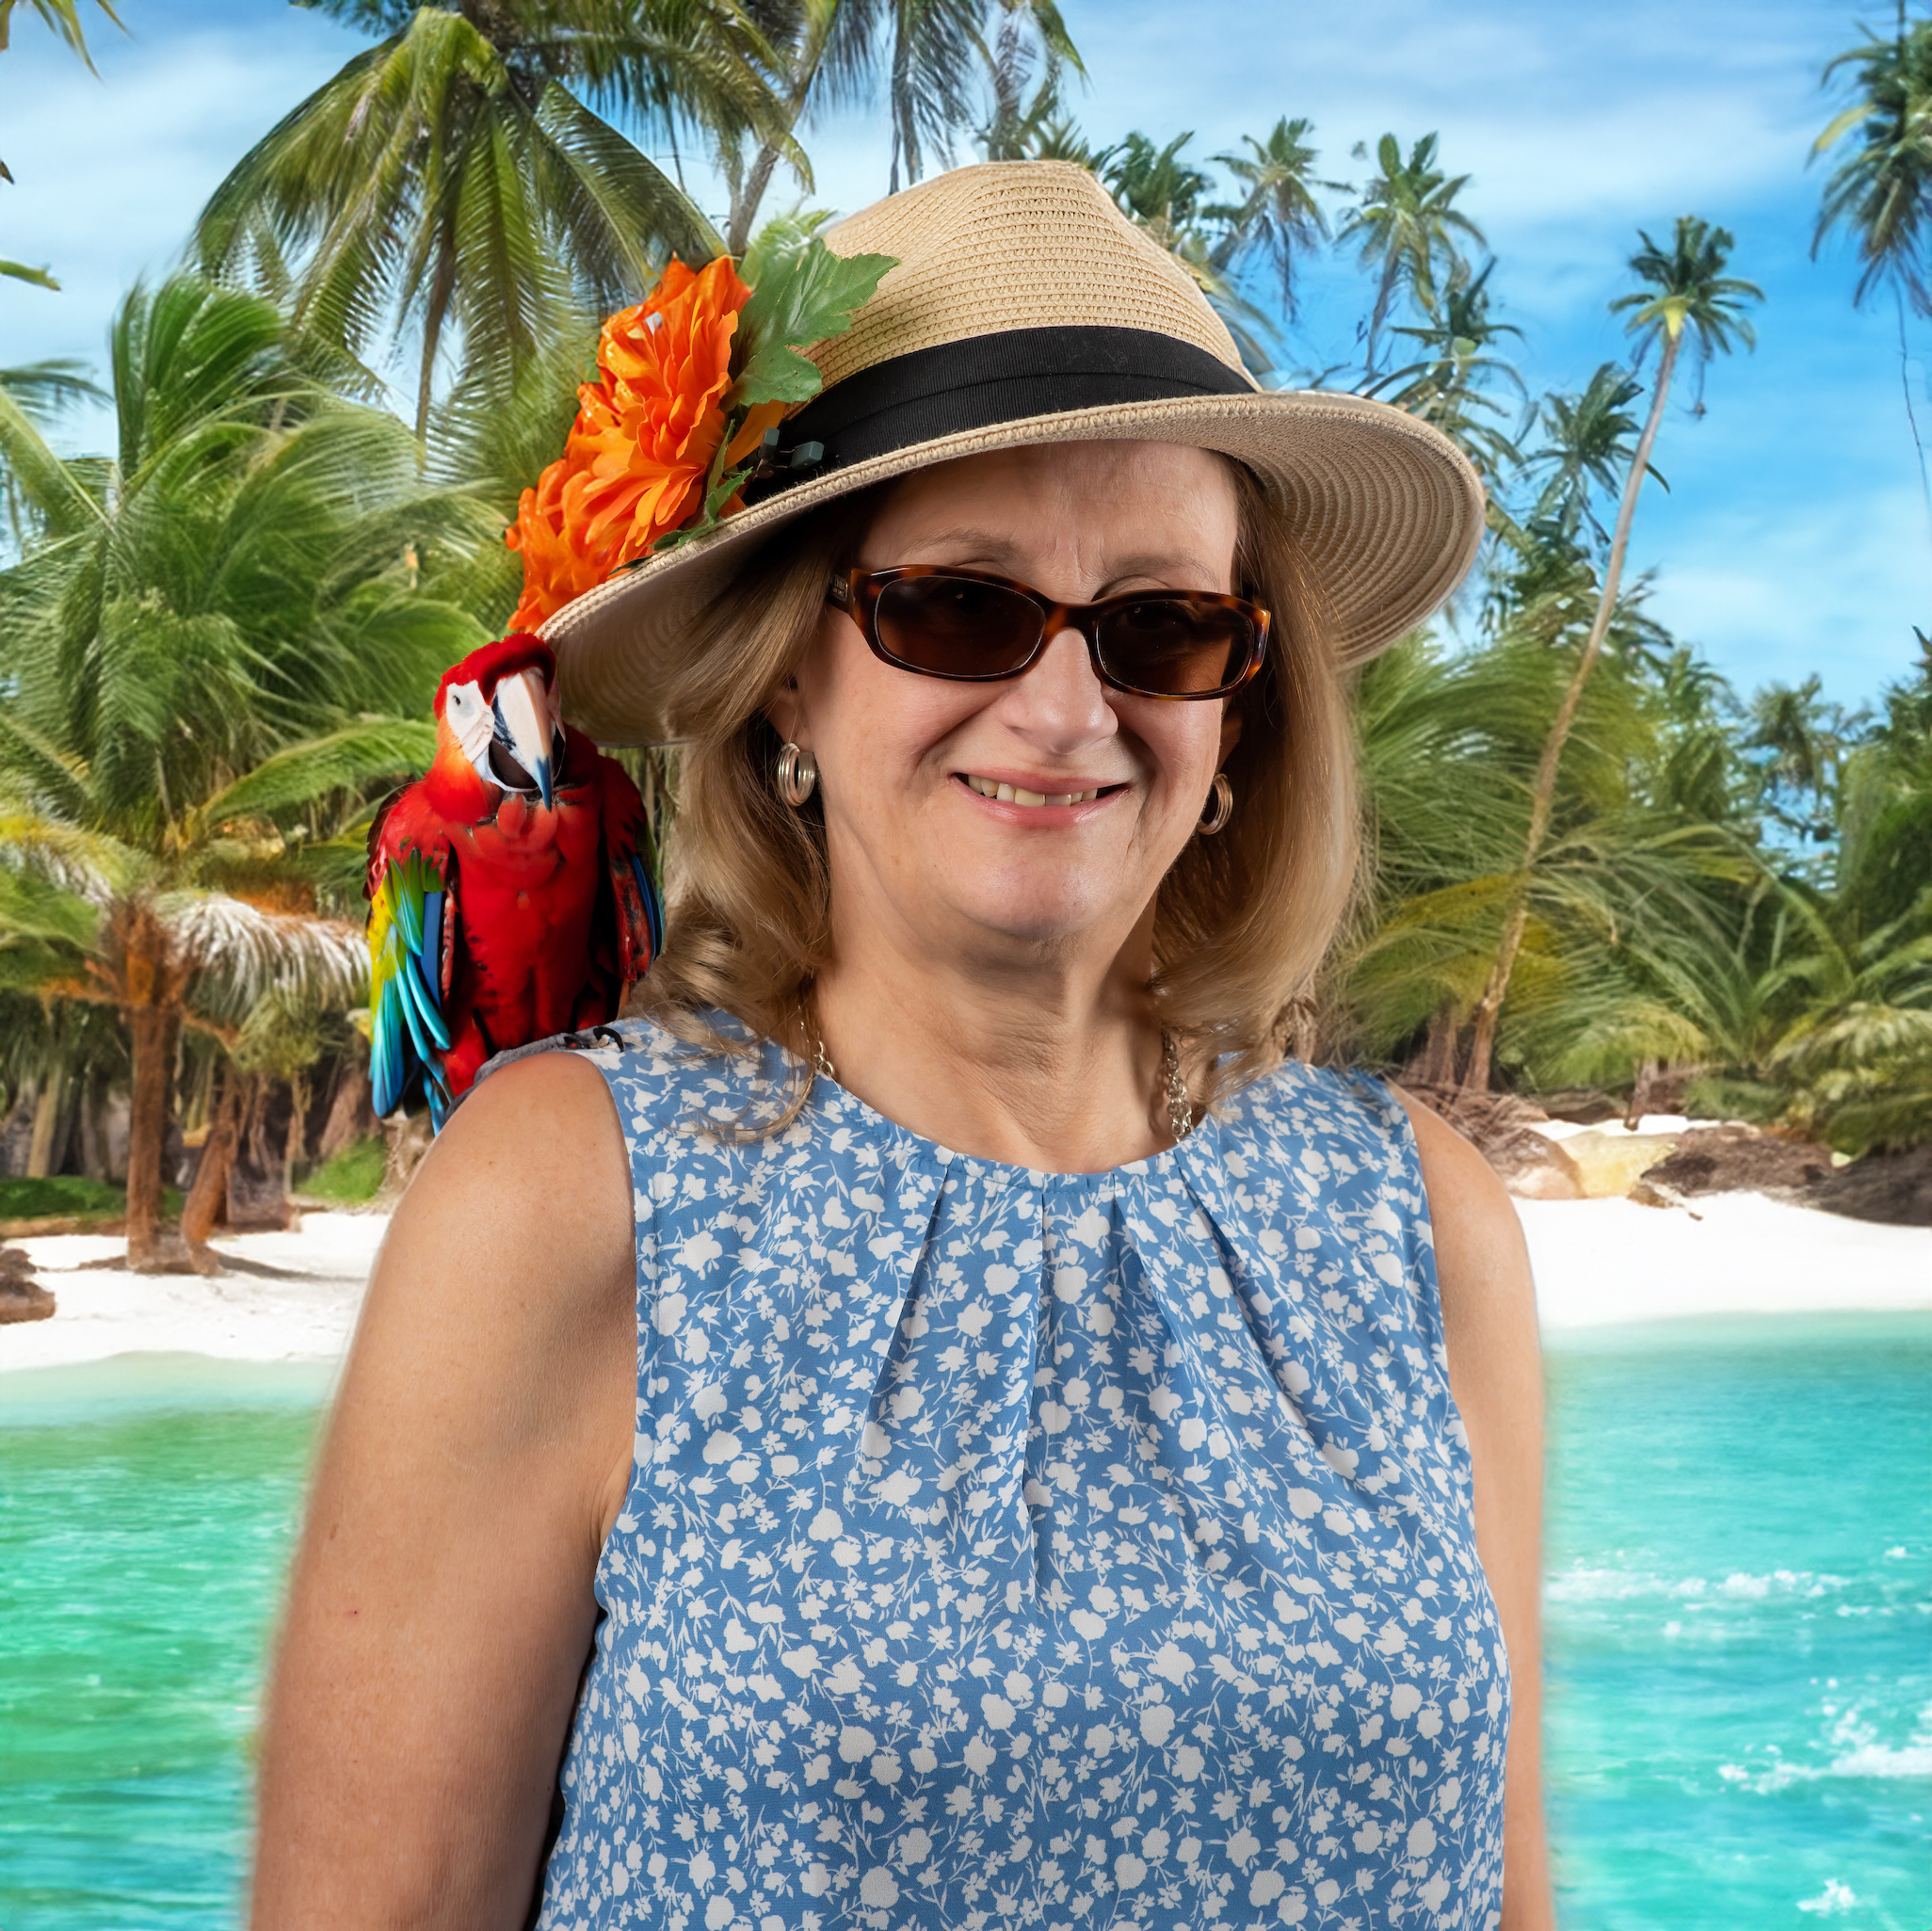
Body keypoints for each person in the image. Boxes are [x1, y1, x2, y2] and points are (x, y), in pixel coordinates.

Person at [251, 162, 1551, 1930]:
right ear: (793, 670)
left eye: (1161, 625)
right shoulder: (569, 1201)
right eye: (961, 606)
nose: (1069, 707)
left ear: (1242, 702)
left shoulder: (1423, 1223)